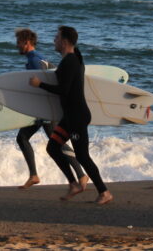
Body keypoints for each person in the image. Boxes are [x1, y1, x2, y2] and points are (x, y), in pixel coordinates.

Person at [29, 26, 113, 205]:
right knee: (52, 148)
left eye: (56, 37)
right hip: (69, 117)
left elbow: (63, 90)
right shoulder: (72, 59)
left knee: (82, 156)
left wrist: (39, 84)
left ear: (65, 41)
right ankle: (74, 184)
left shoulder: (71, 61)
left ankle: (104, 192)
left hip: (77, 117)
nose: (54, 40)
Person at [14, 28, 88, 191]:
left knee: (56, 143)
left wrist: (44, 109)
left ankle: (81, 174)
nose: (16, 45)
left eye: (18, 42)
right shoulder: (35, 58)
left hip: (45, 111)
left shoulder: (35, 60)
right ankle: (34, 175)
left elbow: (49, 82)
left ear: (26, 43)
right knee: (23, 138)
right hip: (41, 110)